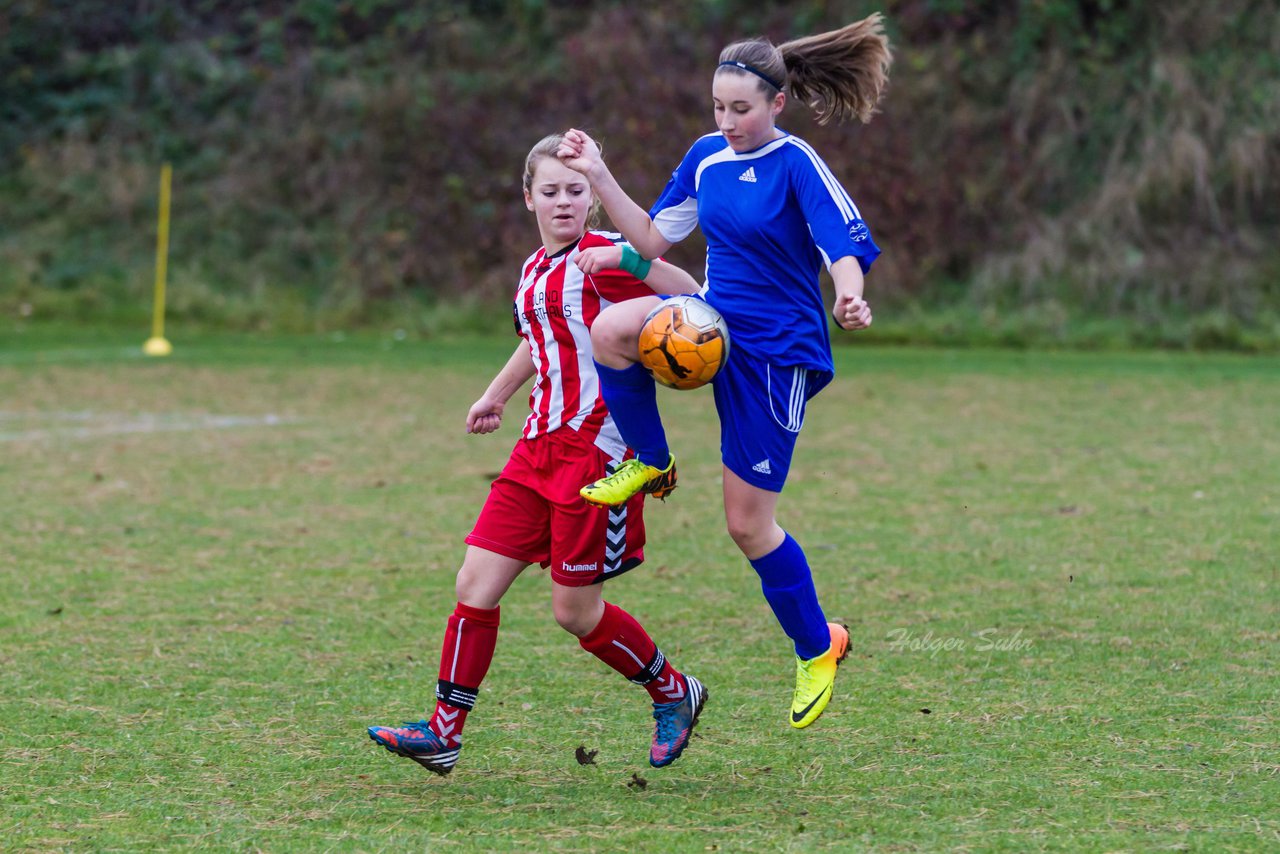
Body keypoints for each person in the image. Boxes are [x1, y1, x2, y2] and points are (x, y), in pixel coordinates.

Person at [556, 14, 891, 730]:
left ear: (777, 103)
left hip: (779, 352)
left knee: (747, 525)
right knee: (612, 328)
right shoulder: (706, 158)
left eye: (742, 109)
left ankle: (816, 646)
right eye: (719, 108)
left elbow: (842, 239)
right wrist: (599, 174)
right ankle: (650, 460)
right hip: (711, 322)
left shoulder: (796, 162)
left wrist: (850, 290)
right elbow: (651, 237)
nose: (729, 121)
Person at [368, 134, 707, 775]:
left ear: (590, 199)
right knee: (475, 582)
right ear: (528, 198)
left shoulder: (606, 253)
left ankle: (673, 691)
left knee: (574, 613)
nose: (563, 203)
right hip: (534, 448)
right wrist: (493, 396)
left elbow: (687, 288)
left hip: (597, 451)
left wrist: (633, 265)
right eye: (549, 192)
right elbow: (539, 340)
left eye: (575, 191)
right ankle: (444, 732)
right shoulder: (532, 270)